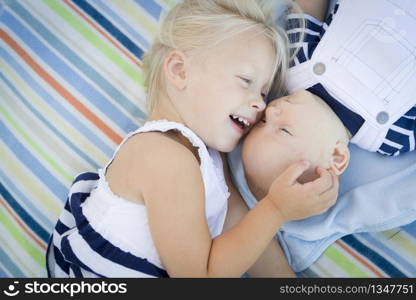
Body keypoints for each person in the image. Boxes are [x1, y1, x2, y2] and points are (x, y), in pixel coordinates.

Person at [46, 0, 338, 278]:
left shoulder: (209, 160)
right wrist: (276, 210)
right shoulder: (160, 155)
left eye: (263, 92)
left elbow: (243, 231)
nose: (261, 105)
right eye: (246, 81)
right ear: (179, 71)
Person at [285, 0, 416, 157]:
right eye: (283, 130)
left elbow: (307, 8)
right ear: (337, 156)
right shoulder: (395, 139)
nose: (271, 111)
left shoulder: (296, 67)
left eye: (263, 121)